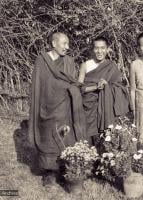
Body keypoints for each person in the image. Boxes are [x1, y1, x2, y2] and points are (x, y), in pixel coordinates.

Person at [28, 32, 86, 189]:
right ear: (54, 44)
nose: (67, 47)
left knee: (64, 137)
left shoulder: (69, 61)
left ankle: (64, 169)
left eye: (68, 44)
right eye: (64, 43)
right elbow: (38, 85)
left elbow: (72, 82)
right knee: (48, 139)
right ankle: (49, 174)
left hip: (64, 105)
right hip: (46, 106)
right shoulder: (42, 60)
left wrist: (75, 89)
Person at [78, 36, 131, 145]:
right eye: (96, 48)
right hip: (88, 109)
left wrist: (107, 86)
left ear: (107, 49)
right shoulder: (85, 65)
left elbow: (120, 88)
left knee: (106, 142)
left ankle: (106, 158)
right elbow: (78, 88)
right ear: (92, 49)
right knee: (87, 141)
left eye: (102, 48)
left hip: (107, 110)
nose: (99, 51)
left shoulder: (111, 66)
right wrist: (96, 87)